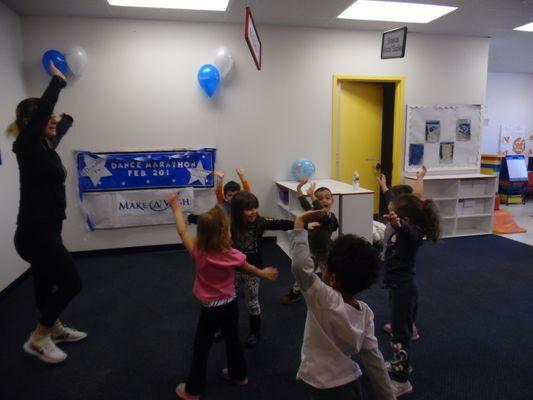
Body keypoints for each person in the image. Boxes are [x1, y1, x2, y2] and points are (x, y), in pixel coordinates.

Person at [8, 61, 85, 364]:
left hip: (47, 229)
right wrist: (57, 82)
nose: (51, 119)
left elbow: (55, 132)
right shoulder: (26, 145)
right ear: (30, 121)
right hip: (34, 233)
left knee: (44, 284)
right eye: (47, 115)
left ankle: (53, 328)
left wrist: (65, 121)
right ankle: (39, 338)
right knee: (71, 283)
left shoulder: (43, 146)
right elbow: (42, 115)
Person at [167, 193, 278, 400]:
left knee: (201, 347)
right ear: (225, 232)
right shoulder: (232, 255)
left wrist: (175, 208)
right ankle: (239, 375)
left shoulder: (198, 251)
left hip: (210, 309)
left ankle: (192, 391)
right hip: (230, 304)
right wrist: (264, 273)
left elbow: (182, 231)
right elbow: (250, 269)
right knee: (233, 339)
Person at [290, 209, 395, 400]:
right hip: (349, 382)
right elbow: (374, 360)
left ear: (331, 278)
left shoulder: (321, 297)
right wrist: (388, 396)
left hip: (318, 382)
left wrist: (299, 224)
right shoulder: (366, 313)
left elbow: (300, 266)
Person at [382, 194, 440, 397]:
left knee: (399, 336)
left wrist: (398, 225)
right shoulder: (407, 227)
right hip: (398, 286)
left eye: (392, 213)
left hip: (404, 290)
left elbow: (407, 232)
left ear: (405, 218)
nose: (388, 216)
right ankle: (402, 364)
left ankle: (402, 381)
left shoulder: (413, 232)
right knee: (400, 328)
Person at [230, 191, 299, 347]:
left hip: (252, 271)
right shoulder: (229, 223)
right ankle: (225, 326)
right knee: (227, 300)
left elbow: (280, 223)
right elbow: (205, 220)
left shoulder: (259, 222)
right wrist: (189, 218)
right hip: (231, 271)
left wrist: (304, 225)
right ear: (237, 211)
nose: (254, 211)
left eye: (256, 207)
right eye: (249, 209)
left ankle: (255, 331)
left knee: (252, 301)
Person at [377, 166, 426, 340]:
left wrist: (398, 225)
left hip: (401, 273)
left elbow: (417, 197)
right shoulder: (401, 211)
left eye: (393, 207)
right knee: (399, 299)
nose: (390, 209)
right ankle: (403, 323)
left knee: (402, 300)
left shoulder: (410, 228)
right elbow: (414, 195)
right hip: (394, 269)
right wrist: (383, 185)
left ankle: (406, 328)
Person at [282, 179, 338, 305]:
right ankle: (296, 292)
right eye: (320, 199)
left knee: (327, 275)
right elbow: (303, 202)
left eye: (327, 198)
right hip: (311, 251)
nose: (324, 201)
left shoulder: (331, 217)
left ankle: (331, 295)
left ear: (332, 201)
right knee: (304, 274)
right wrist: (299, 188)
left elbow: (323, 213)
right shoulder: (313, 213)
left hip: (325, 252)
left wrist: (313, 196)